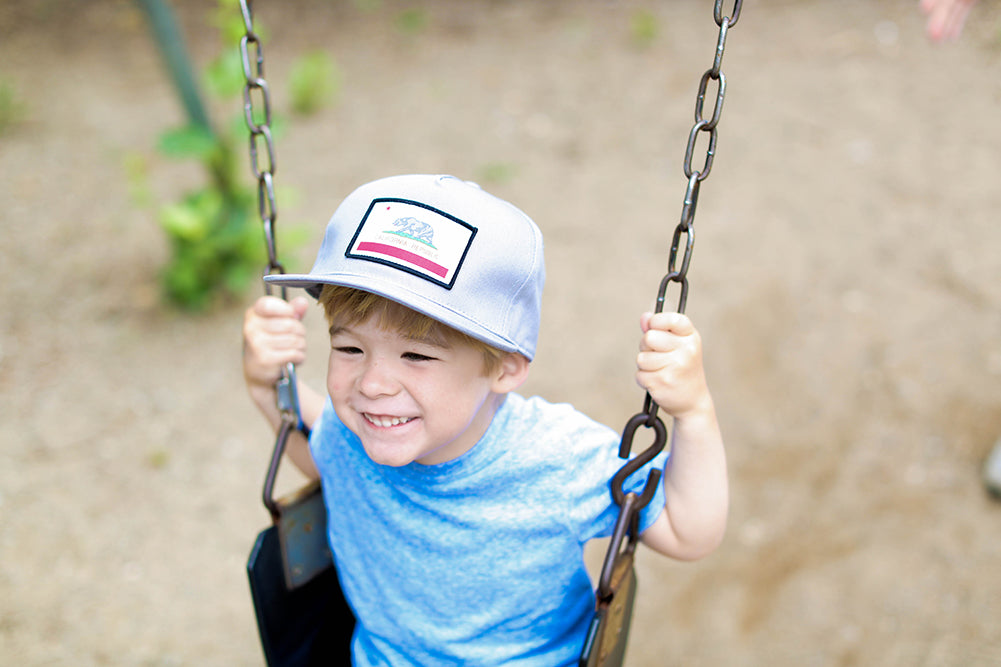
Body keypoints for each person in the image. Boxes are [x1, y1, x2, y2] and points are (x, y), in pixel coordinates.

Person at [242, 174, 728, 665]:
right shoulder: (353, 434)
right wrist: (267, 384)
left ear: (504, 367)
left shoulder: (560, 461)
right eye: (349, 348)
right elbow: (324, 458)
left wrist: (694, 413)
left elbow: (687, 531)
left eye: (416, 355)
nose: (373, 384)